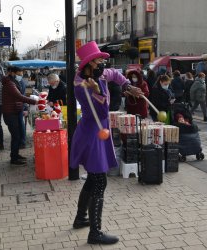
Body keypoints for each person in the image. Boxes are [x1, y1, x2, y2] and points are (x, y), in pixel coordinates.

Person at [70, 41, 143, 245]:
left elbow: (115, 75)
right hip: (92, 135)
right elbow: (102, 111)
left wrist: (128, 86)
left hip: (96, 132)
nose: (103, 61)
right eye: (99, 58)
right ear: (90, 63)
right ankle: (95, 232)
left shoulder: (99, 74)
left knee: (93, 180)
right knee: (100, 181)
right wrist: (99, 91)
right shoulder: (82, 86)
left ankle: (80, 218)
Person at [2, 66, 38, 165]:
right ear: (13, 73)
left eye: (21, 73)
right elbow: (19, 96)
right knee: (16, 136)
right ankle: (14, 159)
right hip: (10, 114)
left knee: (16, 136)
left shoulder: (12, 82)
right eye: (19, 73)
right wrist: (35, 101)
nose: (21, 75)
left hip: (14, 112)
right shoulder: (10, 84)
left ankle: (16, 155)